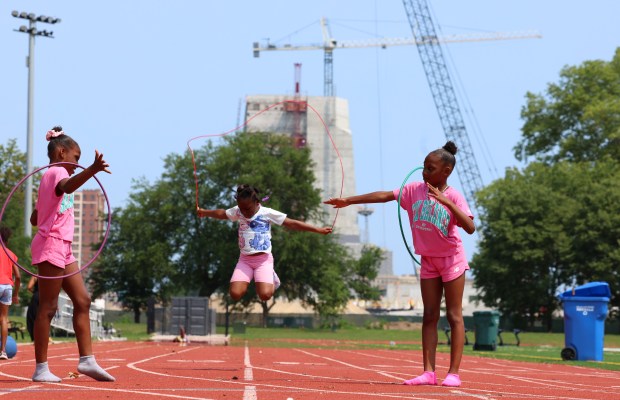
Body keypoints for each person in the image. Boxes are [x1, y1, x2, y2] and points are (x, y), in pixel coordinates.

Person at [324, 141, 475, 388]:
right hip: (428, 261)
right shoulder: (414, 190)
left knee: (454, 315)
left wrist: (447, 202)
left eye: (430, 168)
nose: (424, 172)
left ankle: (454, 373)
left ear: (445, 172)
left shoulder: (454, 195)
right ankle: (428, 372)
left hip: (451, 260)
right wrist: (348, 201)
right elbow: (385, 195)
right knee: (429, 316)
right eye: (424, 168)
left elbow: (470, 227)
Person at [29, 126, 115, 382]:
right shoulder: (56, 172)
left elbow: (35, 218)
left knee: (83, 300)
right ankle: (41, 368)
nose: (76, 164)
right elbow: (67, 187)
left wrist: (43, 206)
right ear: (61, 152)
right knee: (48, 307)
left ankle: (87, 360)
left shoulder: (49, 177)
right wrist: (92, 169)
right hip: (51, 244)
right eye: (76, 158)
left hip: (62, 246)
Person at [197, 184, 332, 301]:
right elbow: (222, 214)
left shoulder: (267, 213)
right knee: (235, 294)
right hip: (244, 260)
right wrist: (204, 212)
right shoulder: (238, 211)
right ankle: (256, 277)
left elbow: (292, 223)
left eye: (247, 209)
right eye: (241, 209)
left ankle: (271, 276)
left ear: (257, 203)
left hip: (263, 260)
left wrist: (318, 230)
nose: (244, 212)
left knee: (265, 295)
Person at [0, 226, 21, 360]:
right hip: (7, 286)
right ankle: (3, 352)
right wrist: (15, 295)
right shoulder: (10, 254)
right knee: (4, 319)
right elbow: (18, 276)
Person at [26, 276, 39, 342]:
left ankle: (34, 338)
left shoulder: (36, 276)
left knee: (32, 317)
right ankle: (46, 336)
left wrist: (34, 292)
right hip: (46, 298)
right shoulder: (50, 276)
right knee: (44, 317)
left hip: (37, 296)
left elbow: (29, 287)